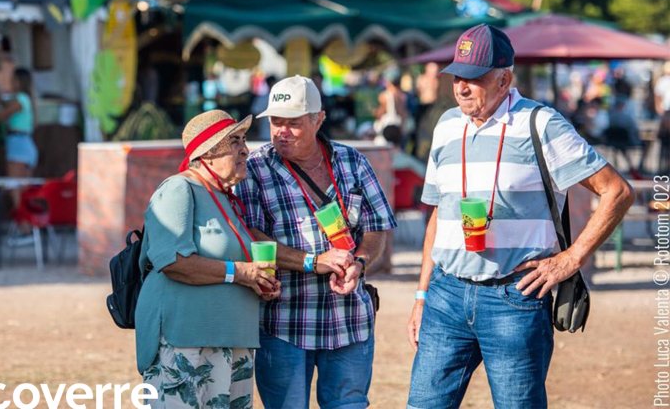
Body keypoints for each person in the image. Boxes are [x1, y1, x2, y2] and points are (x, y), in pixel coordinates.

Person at [406, 25, 634, 409]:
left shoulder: (541, 123)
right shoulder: (446, 126)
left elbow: (617, 191)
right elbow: (438, 217)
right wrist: (422, 294)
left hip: (514, 296)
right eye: (457, 76)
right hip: (446, 296)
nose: (462, 86)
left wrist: (570, 259)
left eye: (474, 78)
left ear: (504, 79)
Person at [235, 75, 397, 409]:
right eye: (275, 122)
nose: (281, 131)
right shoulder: (255, 168)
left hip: (350, 319)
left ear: (318, 119)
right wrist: (313, 261)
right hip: (284, 321)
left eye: (292, 123)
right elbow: (252, 236)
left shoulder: (352, 161)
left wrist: (361, 263)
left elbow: (378, 226)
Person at [136, 110, 281, 408]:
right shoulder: (179, 189)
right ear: (207, 154)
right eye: (234, 142)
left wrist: (257, 281)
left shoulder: (227, 198)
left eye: (244, 140)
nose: (245, 149)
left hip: (233, 341)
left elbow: (230, 266)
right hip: (186, 342)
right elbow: (174, 261)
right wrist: (240, 272)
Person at [0, 67, 38, 179]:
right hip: (23, 141)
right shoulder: (24, 99)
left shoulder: (20, 99)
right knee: (23, 189)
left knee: (15, 187)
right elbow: (4, 105)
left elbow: (0, 116)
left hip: (18, 143)